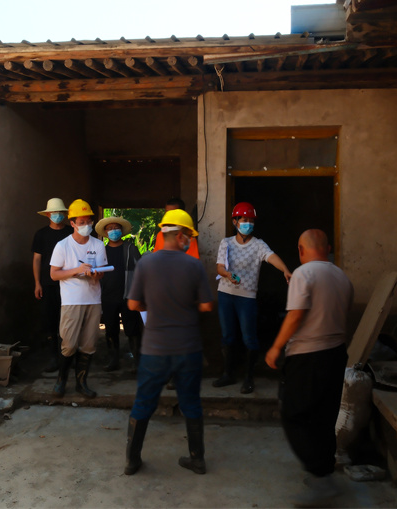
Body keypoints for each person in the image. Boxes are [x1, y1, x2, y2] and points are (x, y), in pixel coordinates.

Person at [264, 229, 353, 506]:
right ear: (328, 248)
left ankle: (321, 478)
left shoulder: (303, 274)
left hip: (308, 357)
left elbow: (296, 315)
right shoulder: (342, 277)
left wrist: (276, 347)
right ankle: (324, 471)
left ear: (301, 250)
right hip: (336, 354)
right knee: (324, 417)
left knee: (294, 414)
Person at [124, 209, 214, 476]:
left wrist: (153, 305)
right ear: (181, 236)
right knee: (191, 403)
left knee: (143, 402)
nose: (190, 241)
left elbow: (132, 304)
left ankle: (132, 461)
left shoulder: (146, 263)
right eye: (189, 236)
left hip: (155, 349)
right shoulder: (194, 265)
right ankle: (197, 460)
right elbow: (207, 306)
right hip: (188, 348)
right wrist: (186, 304)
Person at [213, 202, 291, 394]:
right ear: (235, 221)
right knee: (227, 335)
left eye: (251, 220)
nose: (248, 223)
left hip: (246, 297)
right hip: (225, 294)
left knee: (249, 337)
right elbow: (220, 267)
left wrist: (285, 269)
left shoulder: (258, 245)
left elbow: (271, 257)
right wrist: (227, 274)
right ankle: (228, 374)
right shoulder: (226, 243)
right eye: (244, 220)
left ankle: (248, 378)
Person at [49, 199, 107, 398]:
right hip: (72, 300)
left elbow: (101, 273)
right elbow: (54, 274)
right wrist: (76, 270)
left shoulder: (98, 244)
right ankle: (61, 380)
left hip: (93, 299)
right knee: (69, 344)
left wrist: (95, 274)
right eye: (81, 222)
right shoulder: (63, 246)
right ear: (72, 223)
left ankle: (82, 383)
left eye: (88, 221)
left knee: (89, 344)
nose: (86, 225)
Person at [95, 215, 143, 371]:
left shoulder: (130, 248)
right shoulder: (101, 250)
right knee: (110, 329)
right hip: (108, 296)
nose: (113, 231)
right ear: (105, 232)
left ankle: (137, 361)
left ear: (121, 231)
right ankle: (113, 360)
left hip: (128, 295)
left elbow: (140, 270)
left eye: (116, 228)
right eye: (110, 228)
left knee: (133, 329)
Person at [32, 198, 73, 372]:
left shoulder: (71, 233)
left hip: (69, 283)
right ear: (48, 215)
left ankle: (68, 356)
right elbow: (37, 260)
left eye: (60, 213)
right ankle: (53, 357)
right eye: (54, 213)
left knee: (69, 320)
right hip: (48, 284)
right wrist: (37, 283)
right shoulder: (41, 234)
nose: (57, 216)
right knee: (50, 320)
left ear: (64, 214)